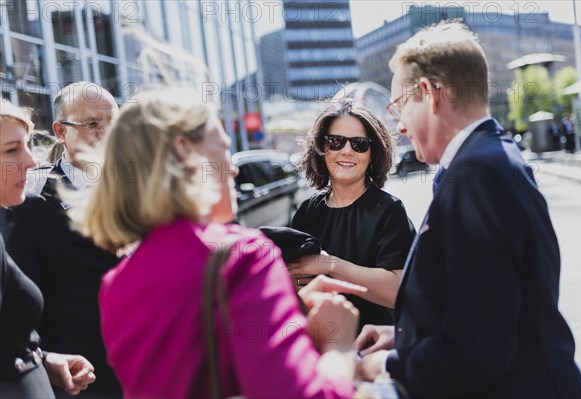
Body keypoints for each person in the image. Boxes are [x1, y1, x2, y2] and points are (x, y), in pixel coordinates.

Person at [354, 21, 581, 398]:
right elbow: (490, 311)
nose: (399, 126)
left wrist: (382, 365)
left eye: (399, 106)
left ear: (429, 93)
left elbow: (479, 348)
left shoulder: (477, 178)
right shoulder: (487, 160)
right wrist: (404, 338)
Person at [72, 87, 362, 398]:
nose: (234, 169)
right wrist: (338, 344)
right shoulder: (241, 254)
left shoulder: (115, 284)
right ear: (185, 152)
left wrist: (292, 311)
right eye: (223, 149)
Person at [5, 82, 122, 397]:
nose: (106, 134)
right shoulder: (30, 205)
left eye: (113, 123)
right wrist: (45, 362)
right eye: (92, 124)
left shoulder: (144, 194)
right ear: (60, 131)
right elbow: (20, 310)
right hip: (85, 381)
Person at [290, 100, 415, 329]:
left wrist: (330, 265)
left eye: (359, 144)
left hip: (373, 347)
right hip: (318, 344)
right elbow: (292, 282)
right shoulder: (307, 212)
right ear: (322, 149)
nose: (346, 150)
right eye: (336, 141)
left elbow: (400, 291)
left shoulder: (389, 211)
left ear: (372, 154)